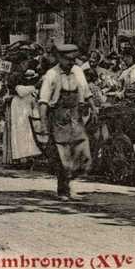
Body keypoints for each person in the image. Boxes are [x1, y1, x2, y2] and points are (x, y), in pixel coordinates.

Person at [37, 43, 92, 200]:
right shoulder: (51, 74)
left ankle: (70, 180)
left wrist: (93, 107)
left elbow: (87, 92)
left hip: (75, 115)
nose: (71, 63)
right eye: (68, 60)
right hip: (58, 116)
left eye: (74, 60)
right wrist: (42, 123)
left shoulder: (78, 71)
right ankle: (64, 189)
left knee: (82, 150)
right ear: (59, 58)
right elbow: (44, 101)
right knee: (63, 154)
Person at [3, 69, 42, 166]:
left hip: (26, 111)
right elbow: (22, 92)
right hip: (19, 111)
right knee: (20, 133)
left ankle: (27, 156)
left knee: (27, 133)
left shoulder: (28, 89)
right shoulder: (19, 88)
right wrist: (35, 86)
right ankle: (20, 157)